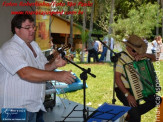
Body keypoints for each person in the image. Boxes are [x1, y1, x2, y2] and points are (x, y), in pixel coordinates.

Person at [0, 13, 75, 122]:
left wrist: (54, 65)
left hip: (34, 106)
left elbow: (42, 67)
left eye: (33, 27)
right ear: (17, 29)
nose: (32, 30)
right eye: (27, 27)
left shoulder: (34, 45)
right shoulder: (10, 47)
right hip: (14, 109)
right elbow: (25, 73)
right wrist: (57, 75)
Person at [115, 35, 162, 122]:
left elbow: (155, 58)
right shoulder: (121, 57)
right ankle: (132, 113)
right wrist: (128, 95)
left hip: (139, 87)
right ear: (128, 47)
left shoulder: (140, 55)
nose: (136, 53)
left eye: (138, 51)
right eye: (134, 50)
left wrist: (144, 54)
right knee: (136, 117)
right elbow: (117, 78)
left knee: (157, 100)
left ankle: (130, 114)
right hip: (123, 89)